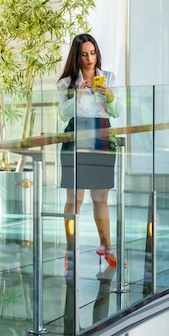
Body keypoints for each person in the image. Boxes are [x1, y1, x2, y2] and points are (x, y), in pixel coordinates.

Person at [57, 33, 120, 266]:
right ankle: (70, 249)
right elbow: (62, 114)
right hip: (76, 134)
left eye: (92, 53)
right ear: (77, 56)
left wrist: (110, 97)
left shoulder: (108, 78)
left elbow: (117, 112)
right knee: (76, 196)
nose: (90, 58)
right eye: (84, 54)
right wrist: (78, 95)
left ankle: (106, 246)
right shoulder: (67, 83)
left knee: (100, 197)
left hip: (102, 133)